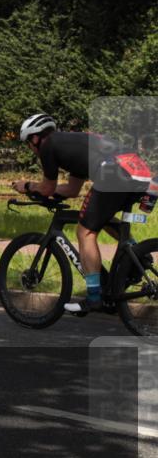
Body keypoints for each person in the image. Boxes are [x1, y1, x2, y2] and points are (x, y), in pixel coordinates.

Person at [12, 113, 152, 313]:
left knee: (85, 231)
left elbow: (47, 188)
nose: (30, 148)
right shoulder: (71, 145)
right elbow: (71, 190)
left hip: (114, 172)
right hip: (138, 171)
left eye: (28, 143)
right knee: (101, 218)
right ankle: (138, 257)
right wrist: (47, 191)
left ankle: (94, 297)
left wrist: (26, 185)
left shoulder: (48, 146)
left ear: (35, 138)